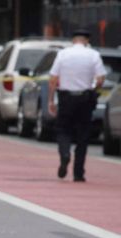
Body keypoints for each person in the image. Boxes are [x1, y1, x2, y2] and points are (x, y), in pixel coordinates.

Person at [48, 29, 106, 182]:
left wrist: (51, 100)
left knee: (63, 129)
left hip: (66, 98)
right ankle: (78, 172)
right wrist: (94, 90)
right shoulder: (93, 55)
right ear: (87, 41)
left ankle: (65, 153)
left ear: (73, 40)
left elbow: (53, 79)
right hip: (85, 99)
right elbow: (100, 79)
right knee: (83, 135)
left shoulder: (63, 54)